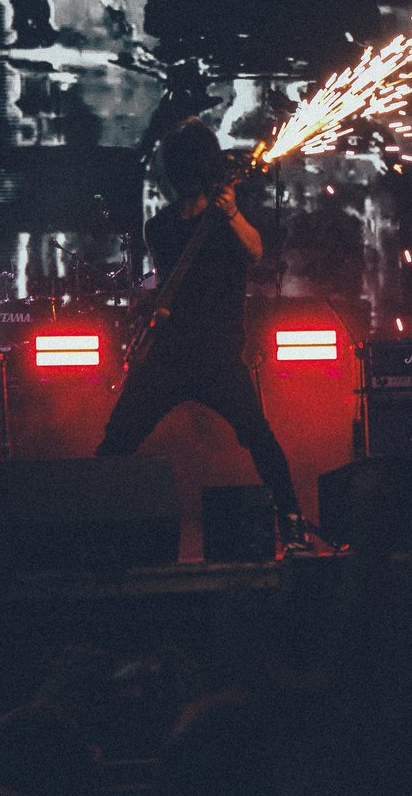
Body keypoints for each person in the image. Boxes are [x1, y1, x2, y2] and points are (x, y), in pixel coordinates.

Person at [96, 119, 310, 554]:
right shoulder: (159, 227)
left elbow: (254, 251)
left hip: (218, 354)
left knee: (257, 434)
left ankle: (292, 522)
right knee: (117, 439)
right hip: (170, 355)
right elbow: (169, 275)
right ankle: (94, 526)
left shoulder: (227, 215)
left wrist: (230, 211)